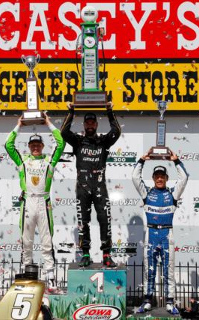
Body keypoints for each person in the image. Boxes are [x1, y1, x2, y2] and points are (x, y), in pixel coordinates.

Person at [5, 114, 65, 292]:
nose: (36, 147)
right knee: (27, 242)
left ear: (43, 146)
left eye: (39, 145)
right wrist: (18, 126)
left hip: (44, 202)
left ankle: (51, 279)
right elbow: (8, 145)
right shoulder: (22, 159)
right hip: (28, 202)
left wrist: (48, 123)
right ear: (29, 147)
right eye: (33, 145)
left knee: (47, 242)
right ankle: (28, 276)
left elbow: (61, 144)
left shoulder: (50, 160)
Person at [61, 103, 121, 268]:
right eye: (87, 122)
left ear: (96, 124)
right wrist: (71, 111)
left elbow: (116, 131)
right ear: (84, 125)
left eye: (92, 122)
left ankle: (107, 255)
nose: (89, 125)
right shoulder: (78, 141)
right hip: (82, 187)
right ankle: (85, 254)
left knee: (104, 220)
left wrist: (109, 111)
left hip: (100, 187)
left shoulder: (103, 141)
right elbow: (64, 132)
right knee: (83, 222)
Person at [132, 149, 189, 314]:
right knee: (149, 269)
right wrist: (142, 160)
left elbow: (184, 178)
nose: (159, 178)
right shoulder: (147, 193)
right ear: (153, 178)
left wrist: (176, 161)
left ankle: (170, 302)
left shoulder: (172, 194)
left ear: (166, 178)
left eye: (162, 176)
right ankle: (147, 300)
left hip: (166, 234)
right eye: (156, 176)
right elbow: (135, 178)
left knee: (168, 269)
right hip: (151, 234)